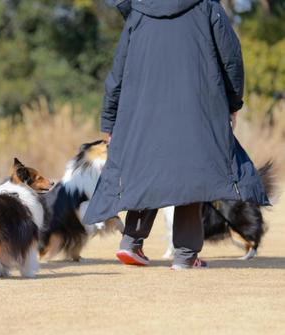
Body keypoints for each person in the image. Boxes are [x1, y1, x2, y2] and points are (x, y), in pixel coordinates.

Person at [83, 0, 269, 269]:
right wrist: (232, 102)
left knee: (145, 170)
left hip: (143, 110)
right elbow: (231, 58)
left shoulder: (139, 11)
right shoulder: (206, 6)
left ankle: (131, 243)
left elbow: (118, 72)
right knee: (191, 176)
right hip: (197, 107)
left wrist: (110, 120)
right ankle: (185, 255)